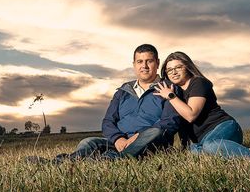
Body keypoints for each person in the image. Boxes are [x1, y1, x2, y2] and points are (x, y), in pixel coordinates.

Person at [28, 44, 181, 163]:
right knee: (88, 142)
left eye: (149, 61)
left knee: (155, 132)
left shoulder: (169, 88)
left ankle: (109, 160)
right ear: (134, 64)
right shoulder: (123, 91)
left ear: (158, 63)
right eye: (140, 61)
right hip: (120, 143)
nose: (144, 66)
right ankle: (58, 162)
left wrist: (139, 136)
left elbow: (170, 123)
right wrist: (118, 139)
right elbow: (108, 121)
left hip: (149, 143)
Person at [154, 51, 250, 160]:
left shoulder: (198, 83)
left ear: (187, 67)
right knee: (194, 151)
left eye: (178, 67)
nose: (173, 72)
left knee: (210, 146)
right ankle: (244, 150)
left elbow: (191, 115)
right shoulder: (175, 92)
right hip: (202, 140)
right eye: (169, 70)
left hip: (223, 127)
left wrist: (171, 97)